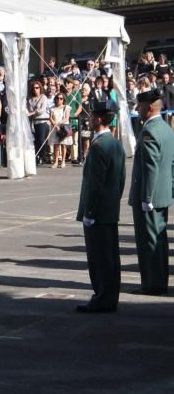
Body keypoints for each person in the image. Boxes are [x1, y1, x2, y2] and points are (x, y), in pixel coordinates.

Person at [75, 100, 125, 313]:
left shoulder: (98, 147)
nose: (89, 117)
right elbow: (120, 180)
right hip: (110, 209)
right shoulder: (115, 144)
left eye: (92, 114)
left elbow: (94, 185)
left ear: (99, 119)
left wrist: (90, 212)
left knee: (99, 259)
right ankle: (109, 297)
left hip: (97, 213)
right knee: (110, 258)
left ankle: (102, 298)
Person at [129, 88, 174, 296]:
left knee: (149, 242)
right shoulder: (166, 129)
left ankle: (153, 283)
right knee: (159, 240)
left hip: (150, 196)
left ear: (148, 107)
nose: (137, 108)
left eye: (139, 105)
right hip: (162, 194)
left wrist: (146, 197)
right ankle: (158, 281)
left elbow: (150, 167)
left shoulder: (149, 131)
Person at [26, 81, 50, 166]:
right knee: (34, 140)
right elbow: (28, 109)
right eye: (34, 88)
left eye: (37, 88)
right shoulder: (29, 99)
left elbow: (41, 110)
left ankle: (42, 155)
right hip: (33, 122)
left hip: (42, 121)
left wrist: (32, 113)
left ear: (40, 88)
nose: (35, 89)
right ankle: (36, 157)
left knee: (41, 139)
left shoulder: (43, 97)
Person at [48, 93, 73, 168]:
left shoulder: (66, 107)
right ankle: (55, 162)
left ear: (63, 100)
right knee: (56, 145)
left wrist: (59, 124)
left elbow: (67, 118)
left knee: (63, 145)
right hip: (55, 127)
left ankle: (63, 161)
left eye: (61, 98)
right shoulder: (52, 108)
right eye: (58, 98)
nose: (59, 100)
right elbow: (50, 118)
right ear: (55, 99)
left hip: (63, 127)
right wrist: (55, 125)